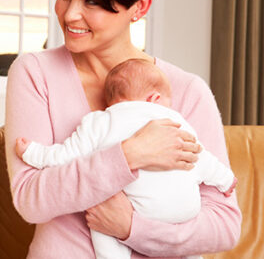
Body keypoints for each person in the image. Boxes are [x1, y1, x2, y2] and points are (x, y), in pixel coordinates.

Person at [5, 0, 241, 258]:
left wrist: (132, 229)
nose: (70, 13)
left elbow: (224, 225)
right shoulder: (35, 73)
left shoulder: (187, 91)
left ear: (140, 8)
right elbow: (31, 199)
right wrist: (129, 154)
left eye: (92, 1)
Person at [16, 58, 236, 259]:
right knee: (191, 251)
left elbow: (63, 155)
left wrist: (32, 152)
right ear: (155, 98)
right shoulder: (175, 120)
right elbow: (200, 157)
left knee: (102, 227)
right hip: (186, 209)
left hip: (139, 207)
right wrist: (225, 180)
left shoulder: (101, 121)